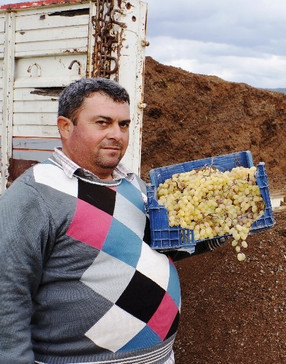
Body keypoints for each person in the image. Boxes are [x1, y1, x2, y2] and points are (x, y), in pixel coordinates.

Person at [0, 78, 180, 363]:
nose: (116, 135)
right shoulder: (36, 194)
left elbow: (150, 248)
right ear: (65, 126)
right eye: (102, 122)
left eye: (123, 124)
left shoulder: (133, 185)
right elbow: (6, 293)